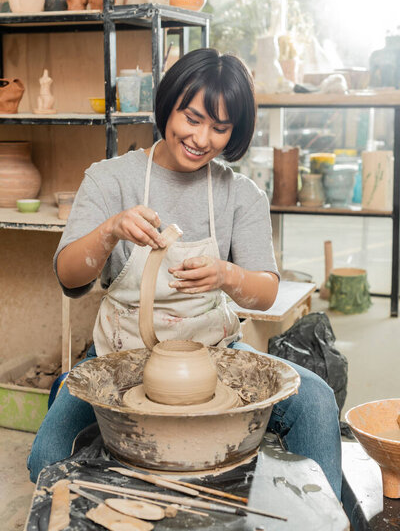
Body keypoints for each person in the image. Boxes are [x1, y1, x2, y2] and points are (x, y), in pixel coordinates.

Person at [28, 48, 342, 501]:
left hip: (215, 357)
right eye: (191, 118)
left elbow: (265, 294)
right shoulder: (109, 179)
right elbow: (69, 278)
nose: (201, 138)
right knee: (47, 458)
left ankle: (322, 517)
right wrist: (111, 230)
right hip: (117, 360)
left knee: (315, 402)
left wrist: (228, 275)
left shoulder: (238, 193)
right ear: (169, 104)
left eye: (220, 128)